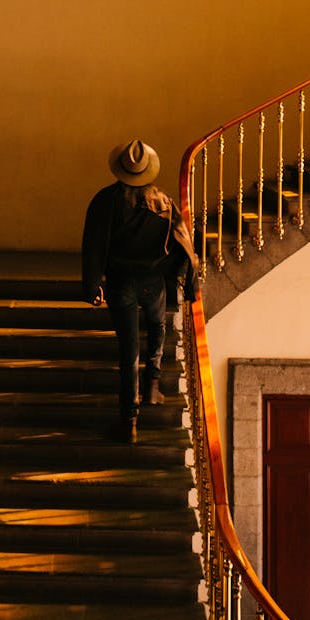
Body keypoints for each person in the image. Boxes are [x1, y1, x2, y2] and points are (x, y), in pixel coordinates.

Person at [81, 138, 199, 444]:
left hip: (121, 281)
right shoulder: (163, 202)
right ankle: (153, 382)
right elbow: (183, 243)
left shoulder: (105, 201)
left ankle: (129, 421)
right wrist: (184, 278)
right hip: (152, 281)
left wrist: (93, 286)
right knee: (158, 327)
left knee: (128, 352)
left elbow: (92, 246)